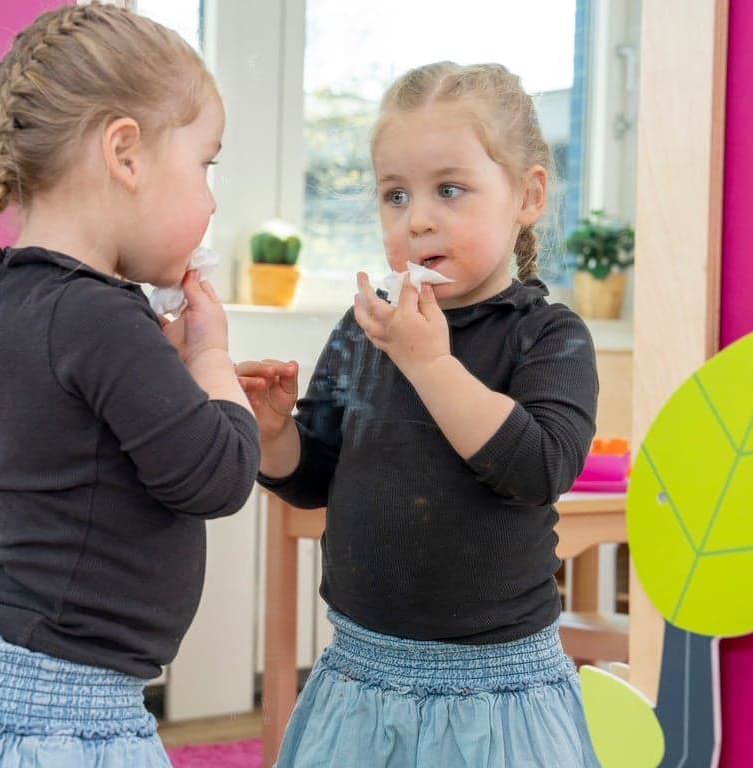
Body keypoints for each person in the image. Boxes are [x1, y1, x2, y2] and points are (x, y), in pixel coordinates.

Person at [0, 5, 258, 766]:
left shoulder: (14, 296)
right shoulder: (99, 319)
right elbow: (219, 477)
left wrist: (165, 367)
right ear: (125, 153)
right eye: (206, 164)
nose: (213, 198)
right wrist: (211, 358)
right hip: (59, 713)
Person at [239, 61, 600, 767]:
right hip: (359, 678)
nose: (418, 217)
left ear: (527, 196)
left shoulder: (548, 336)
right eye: (394, 195)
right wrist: (273, 435)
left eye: (449, 189)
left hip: (494, 693)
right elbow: (314, 477)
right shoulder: (364, 327)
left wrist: (431, 365)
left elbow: (537, 468)